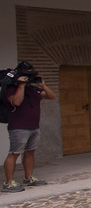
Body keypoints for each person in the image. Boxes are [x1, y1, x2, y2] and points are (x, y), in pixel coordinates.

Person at [3, 62, 56, 192]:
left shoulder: (34, 89)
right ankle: (9, 182)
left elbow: (51, 96)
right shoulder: (11, 89)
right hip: (18, 127)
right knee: (14, 154)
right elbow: (16, 102)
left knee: (30, 152)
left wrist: (43, 86)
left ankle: (28, 177)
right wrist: (21, 86)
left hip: (34, 126)